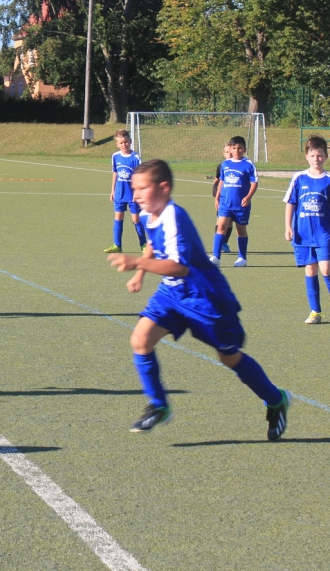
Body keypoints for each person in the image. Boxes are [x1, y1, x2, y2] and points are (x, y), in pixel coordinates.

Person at [107, 159, 290, 439]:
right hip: (171, 294)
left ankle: (276, 400)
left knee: (229, 357)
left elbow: (179, 267)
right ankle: (158, 404)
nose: (136, 195)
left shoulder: (174, 216)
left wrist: (136, 263)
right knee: (140, 340)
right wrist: (140, 273)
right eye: (134, 189)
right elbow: (153, 244)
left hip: (205, 297)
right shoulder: (147, 214)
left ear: (163, 188)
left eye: (142, 188)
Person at [284, 135, 330, 324]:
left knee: (326, 268)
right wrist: (287, 226)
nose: (316, 159)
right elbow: (290, 203)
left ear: (326, 156)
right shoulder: (299, 178)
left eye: (320, 155)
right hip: (303, 233)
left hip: (324, 233)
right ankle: (315, 311)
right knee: (310, 269)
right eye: (313, 155)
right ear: (307, 156)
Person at [210, 136, 257, 267]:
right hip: (225, 203)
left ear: (244, 149)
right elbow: (222, 181)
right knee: (221, 227)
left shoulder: (248, 165)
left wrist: (248, 197)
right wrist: (217, 196)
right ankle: (216, 257)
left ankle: (242, 258)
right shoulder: (225, 164)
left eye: (240, 148)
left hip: (241, 204)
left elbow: (254, 183)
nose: (237, 151)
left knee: (240, 230)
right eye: (234, 148)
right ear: (230, 149)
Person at [103, 129, 146, 254]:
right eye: (121, 143)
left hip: (133, 194)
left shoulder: (136, 157)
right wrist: (112, 191)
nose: (124, 145)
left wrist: (138, 192)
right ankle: (117, 245)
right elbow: (115, 173)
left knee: (136, 219)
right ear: (117, 144)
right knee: (118, 218)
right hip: (119, 193)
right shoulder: (115, 156)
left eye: (126, 142)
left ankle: (144, 244)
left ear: (130, 141)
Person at [211, 144, 234, 254]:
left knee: (230, 222)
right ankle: (219, 244)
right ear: (223, 154)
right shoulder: (222, 166)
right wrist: (215, 191)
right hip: (223, 198)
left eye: (231, 151)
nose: (229, 154)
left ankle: (224, 242)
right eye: (227, 152)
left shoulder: (239, 165)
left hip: (234, 197)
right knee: (221, 221)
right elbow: (217, 180)